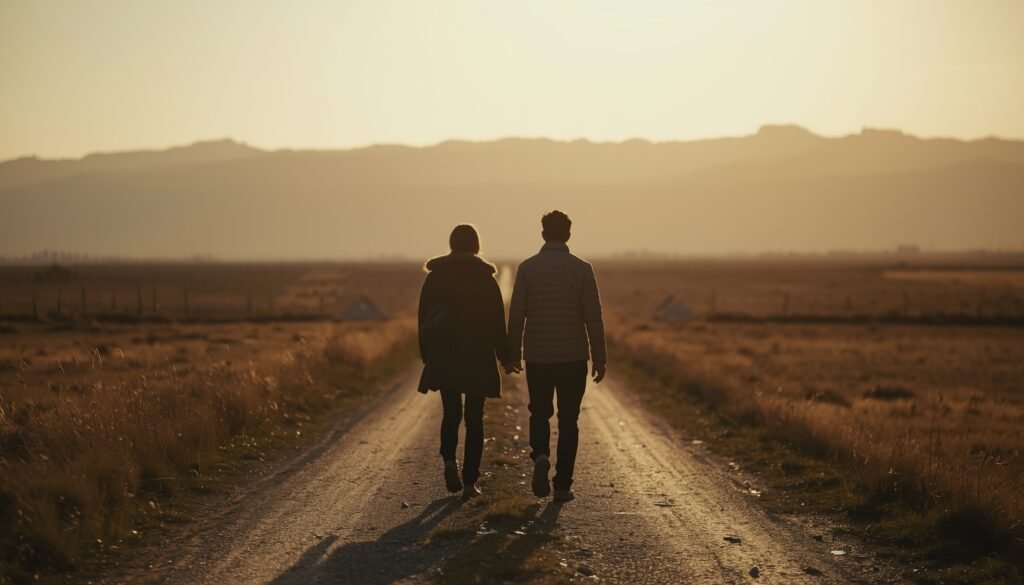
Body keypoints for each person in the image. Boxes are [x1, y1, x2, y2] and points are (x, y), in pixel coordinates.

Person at [506, 210, 606, 502]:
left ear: (542, 234)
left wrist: (513, 353)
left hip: (538, 356)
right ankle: (562, 485)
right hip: (573, 357)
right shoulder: (582, 269)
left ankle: (539, 455)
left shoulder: (527, 268)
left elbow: (516, 315)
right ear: (569, 235)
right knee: (568, 419)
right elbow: (593, 318)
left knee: (539, 411)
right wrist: (600, 358)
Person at [418, 224, 511, 499]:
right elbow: (497, 321)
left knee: (450, 413)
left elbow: (423, 318)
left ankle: (449, 460)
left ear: (451, 245)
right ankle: (470, 481)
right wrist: (504, 357)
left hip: (444, 354)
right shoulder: (485, 278)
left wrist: (427, 354)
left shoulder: (435, 277)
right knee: (474, 419)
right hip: (477, 355)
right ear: (476, 246)